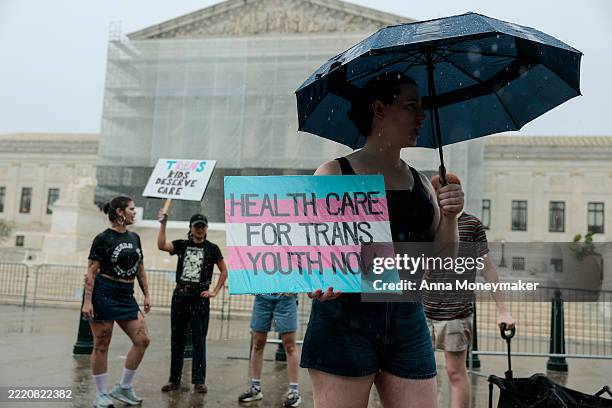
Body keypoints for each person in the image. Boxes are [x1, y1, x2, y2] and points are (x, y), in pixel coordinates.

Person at [300, 71, 464, 408]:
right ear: (379, 109)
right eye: (410, 105)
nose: (421, 116)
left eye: (421, 106)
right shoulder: (333, 173)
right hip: (344, 319)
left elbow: (443, 260)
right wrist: (317, 278)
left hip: (408, 318)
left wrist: (450, 216)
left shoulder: (420, 182)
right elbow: (307, 251)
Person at [426, 173, 516, 408]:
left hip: (457, 312)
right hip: (423, 311)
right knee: (422, 374)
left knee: (456, 373)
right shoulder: (426, 223)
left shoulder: (472, 224)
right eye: (439, 192)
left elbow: (488, 269)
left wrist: (503, 310)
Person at [82, 196, 151, 408]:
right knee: (102, 344)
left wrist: (146, 294)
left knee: (143, 340)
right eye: (131, 209)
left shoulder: (135, 237)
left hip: (126, 294)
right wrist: (87, 301)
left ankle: (124, 387)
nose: (135, 212)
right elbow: (91, 273)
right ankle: (102, 394)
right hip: (104, 293)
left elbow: (140, 268)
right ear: (120, 212)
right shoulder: (103, 239)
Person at [157, 211, 228, 394]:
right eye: (196, 226)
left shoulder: (212, 248)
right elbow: (161, 245)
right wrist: (163, 224)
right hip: (180, 296)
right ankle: (174, 380)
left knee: (199, 340)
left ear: (206, 229)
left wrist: (214, 291)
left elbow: (224, 271)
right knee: (177, 340)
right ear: (190, 228)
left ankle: (199, 381)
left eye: (202, 226)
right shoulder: (181, 245)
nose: (199, 229)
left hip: (200, 298)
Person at [238, 293, 301, 407]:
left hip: (285, 296)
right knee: (258, 344)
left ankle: (294, 390)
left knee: (290, 346)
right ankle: (255, 388)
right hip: (263, 295)